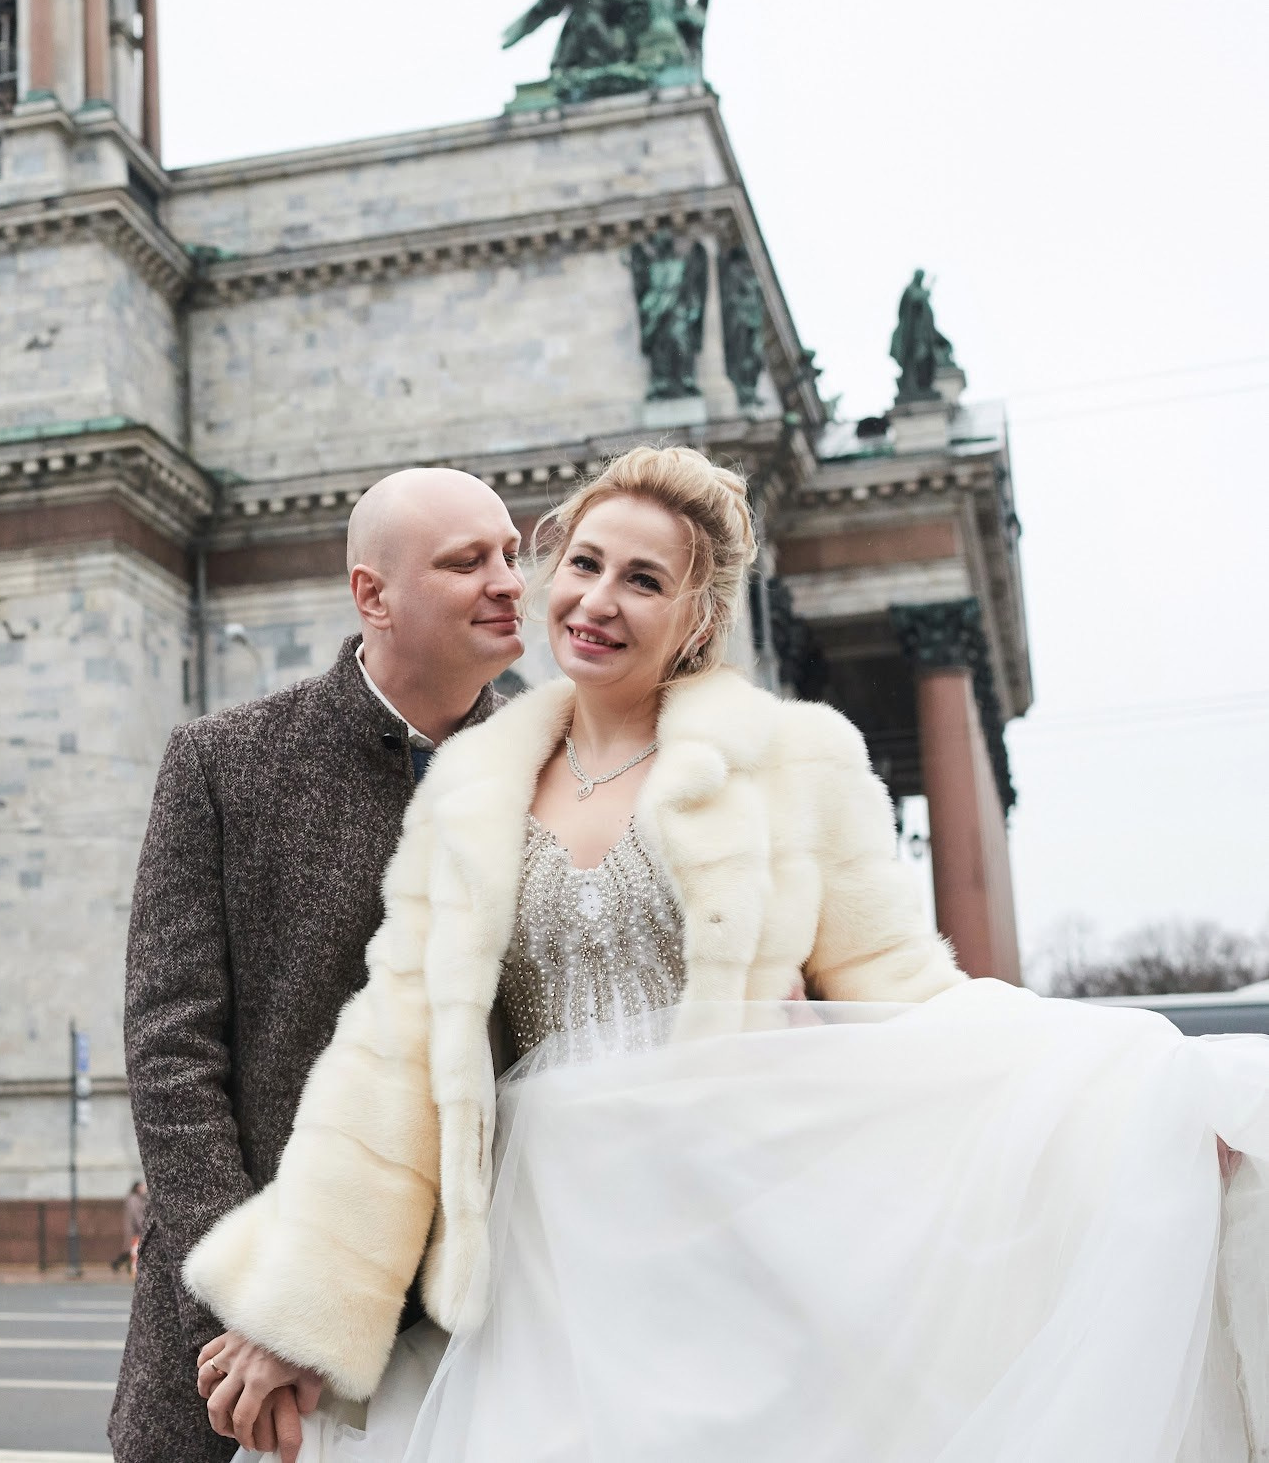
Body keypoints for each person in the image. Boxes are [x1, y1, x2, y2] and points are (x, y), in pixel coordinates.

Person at [182, 446, 1269, 1461]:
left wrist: (1136, 1113)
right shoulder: (473, 785)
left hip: (738, 1222)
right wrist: (304, 1309)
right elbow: (394, 1058)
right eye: (584, 564)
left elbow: (907, 996)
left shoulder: (792, 760)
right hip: (548, 1252)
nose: (596, 601)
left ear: (697, 617)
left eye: (644, 581)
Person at [112, 468, 528, 1463]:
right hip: (236, 1356)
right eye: (467, 560)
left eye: (513, 553)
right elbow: (172, 1054)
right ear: (372, 597)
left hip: (472, 1328)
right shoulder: (226, 763)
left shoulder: (557, 774)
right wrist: (260, 1301)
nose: (510, 580)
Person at [114, 1180, 149, 1276]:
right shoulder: (134, 1199)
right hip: (134, 1228)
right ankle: (117, 1264)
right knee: (131, 1248)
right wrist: (142, 1225)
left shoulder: (138, 1198)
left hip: (135, 1227)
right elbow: (137, 1215)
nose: (144, 1189)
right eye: (142, 1187)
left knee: (131, 1249)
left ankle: (121, 1265)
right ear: (137, 1188)